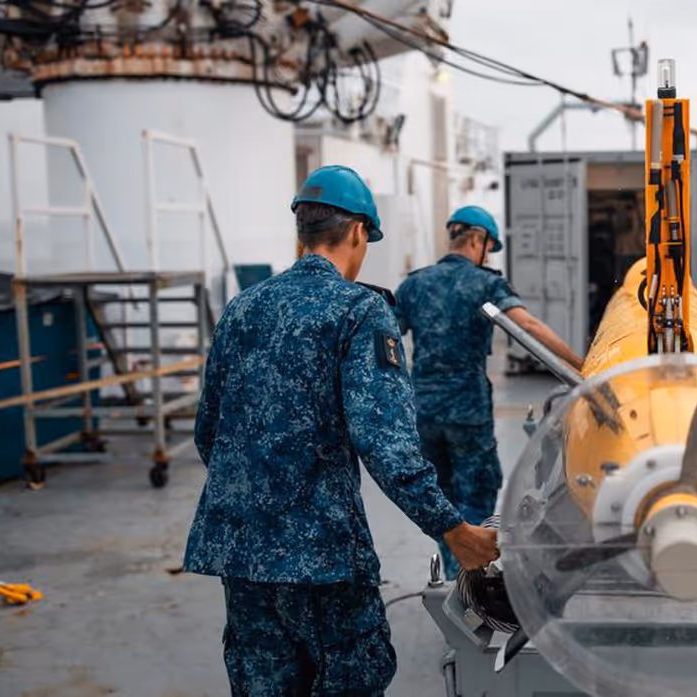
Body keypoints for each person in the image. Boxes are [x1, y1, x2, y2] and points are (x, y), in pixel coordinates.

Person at [185, 166, 498, 696]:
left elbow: (207, 432)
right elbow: (388, 446)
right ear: (357, 232)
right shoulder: (359, 311)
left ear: (300, 231)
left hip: (239, 557)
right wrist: (452, 530)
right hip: (323, 560)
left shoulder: (241, 310)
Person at [395, 205, 583, 579]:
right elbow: (526, 325)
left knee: (444, 502)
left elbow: (386, 339)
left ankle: (452, 579)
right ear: (478, 241)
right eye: (488, 246)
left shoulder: (414, 285)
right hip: (467, 412)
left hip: (424, 412)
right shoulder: (485, 284)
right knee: (477, 496)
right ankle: (469, 591)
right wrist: (583, 366)